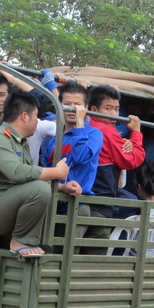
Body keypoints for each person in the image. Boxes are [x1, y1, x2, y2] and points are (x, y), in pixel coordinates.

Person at [0, 92, 69, 258]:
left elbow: (29, 177)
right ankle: (21, 241)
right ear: (24, 116)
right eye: (36, 116)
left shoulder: (20, 142)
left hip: (4, 204)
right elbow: (17, 173)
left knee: (42, 187)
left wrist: (62, 186)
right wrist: (56, 172)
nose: (37, 122)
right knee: (39, 189)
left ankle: (29, 240)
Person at [85, 85, 146, 251]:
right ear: (93, 109)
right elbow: (132, 160)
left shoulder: (85, 126)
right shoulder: (106, 131)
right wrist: (136, 133)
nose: (114, 114)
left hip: (85, 200)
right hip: (100, 202)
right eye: (108, 108)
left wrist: (128, 143)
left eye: (117, 109)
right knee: (93, 254)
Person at [40, 82, 103, 241]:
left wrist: (80, 124)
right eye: (67, 104)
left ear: (85, 107)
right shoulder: (53, 140)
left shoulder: (94, 134)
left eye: (77, 104)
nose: (72, 108)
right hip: (53, 202)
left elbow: (81, 156)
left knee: (66, 258)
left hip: (77, 204)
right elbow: (46, 174)